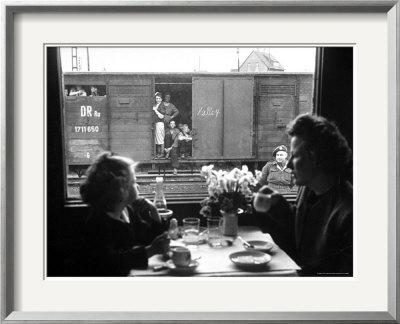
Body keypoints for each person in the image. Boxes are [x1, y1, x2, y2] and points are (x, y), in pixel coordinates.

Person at [254, 114, 353, 276]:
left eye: (296, 155)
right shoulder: (308, 190)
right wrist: (277, 204)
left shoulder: (350, 213)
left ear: (317, 158)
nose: (289, 164)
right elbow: (303, 233)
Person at [80, 152, 170, 276]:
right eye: (134, 181)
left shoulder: (127, 211)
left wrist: (153, 210)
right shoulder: (98, 222)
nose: (137, 186)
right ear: (120, 188)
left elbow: (148, 237)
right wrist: (149, 251)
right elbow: (109, 262)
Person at [153, 92, 165, 159]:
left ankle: (162, 153)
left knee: (160, 138)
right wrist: (155, 94)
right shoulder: (155, 105)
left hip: (160, 123)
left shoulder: (162, 105)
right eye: (156, 98)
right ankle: (158, 153)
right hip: (156, 123)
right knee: (157, 139)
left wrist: (155, 110)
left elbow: (161, 116)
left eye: (159, 98)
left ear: (161, 99)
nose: (157, 99)